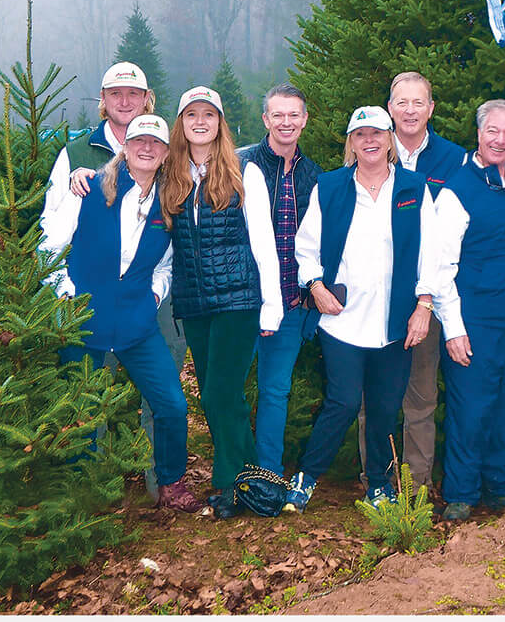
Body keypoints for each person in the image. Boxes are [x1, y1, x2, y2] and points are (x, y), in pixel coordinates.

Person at [38, 114, 201, 512]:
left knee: (171, 404)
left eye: (155, 143)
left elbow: (166, 265)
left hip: (137, 325)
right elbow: (48, 247)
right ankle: (85, 494)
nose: (146, 148)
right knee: (82, 410)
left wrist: (153, 297)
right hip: (83, 323)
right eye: (139, 141)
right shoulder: (89, 188)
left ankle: (170, 481)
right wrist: (66, 297)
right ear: (125, 148)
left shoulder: (169, 203)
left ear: (165, 154)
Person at [283, 106, 441, 513]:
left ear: (390, 140)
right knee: (344, 402)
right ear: (351, 143)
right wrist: (315, 286)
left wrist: (424, 305)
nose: (369, 141)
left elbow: (432, 252)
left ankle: (379, 485)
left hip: (395, 321)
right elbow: (306, 246)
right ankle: (306, 477)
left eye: (377, 133)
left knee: (386, 407)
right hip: (342, 320)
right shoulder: (330, 186)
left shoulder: (413, 187)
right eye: (360, 135)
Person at [161, 86, 283, 515]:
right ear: (181, 124)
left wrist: (272, 305)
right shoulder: (170, 175)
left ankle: (231, 484)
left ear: (220, 123)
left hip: (237, 300)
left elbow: (264, 242)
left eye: (208, 115)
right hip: (195, 304)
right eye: (191, 114)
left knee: (218, 394)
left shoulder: (244, 171)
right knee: (225, 399)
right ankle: (252, 485)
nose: (200, 122)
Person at [432, 99, 505, 521]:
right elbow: (440, 267)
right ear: (478, 134)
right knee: (471, 408)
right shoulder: (457, 191)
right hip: (475, 320)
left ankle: (502, 486)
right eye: (492, 131)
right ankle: (461, 493)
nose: (500, 140)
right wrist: (453, 328)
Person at [382, 71, 467, 491]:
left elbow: (454, 237)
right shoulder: (372, 148)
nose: (410, 111)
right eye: (402, 102)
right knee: (376, 397)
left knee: (420, 396)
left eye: (419, 102)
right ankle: (378, 484)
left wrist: (428, 299)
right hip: (377, 296)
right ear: (390, 108)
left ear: (431, 109)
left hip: (427, 296)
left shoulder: (455, 160)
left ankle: (416, 488)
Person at [238, 84, 322, 474]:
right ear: (265, 119)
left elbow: (320, 242)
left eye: (293, 115)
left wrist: (309, 293)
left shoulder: (314, 176)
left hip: (291, 305)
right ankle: (235, 474)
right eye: (278, 115)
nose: (286, 122)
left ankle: (267, 476)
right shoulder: (241, 166)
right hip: (243, 302)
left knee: (275, 392)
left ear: (304, 120)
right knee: (231, 391)